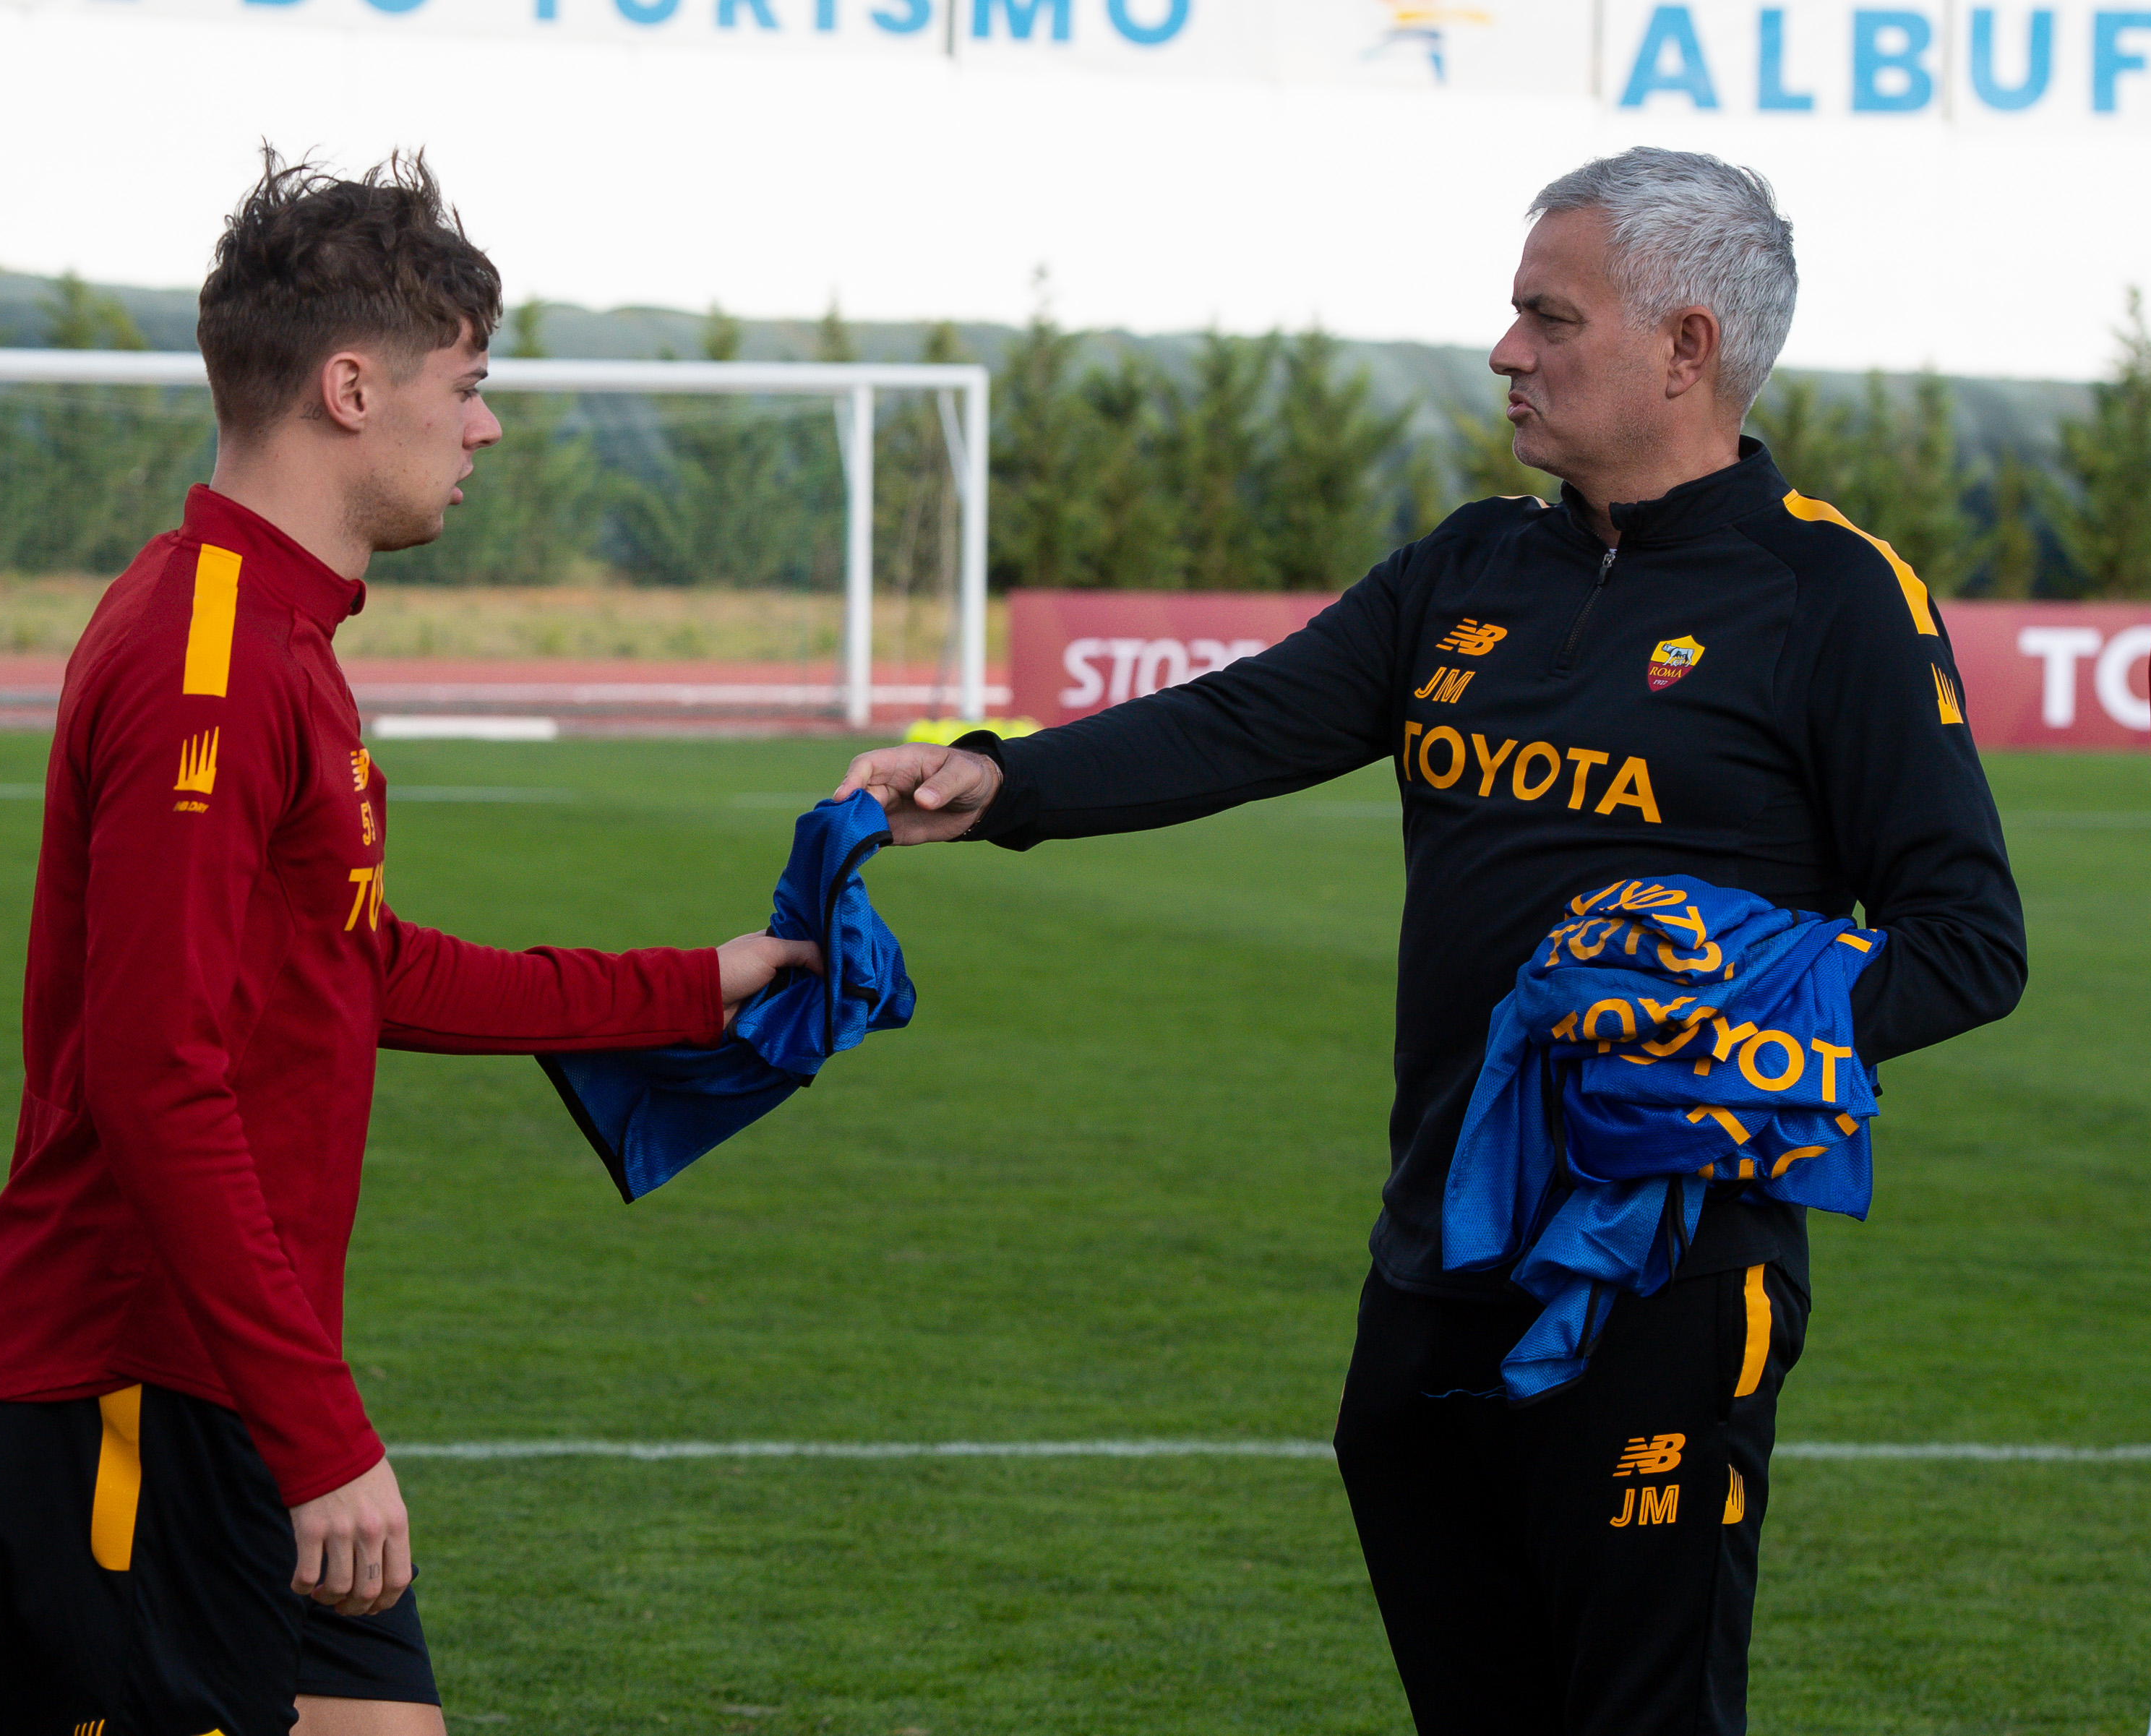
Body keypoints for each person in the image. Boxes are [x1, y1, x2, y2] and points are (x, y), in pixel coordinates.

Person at [837, 147, 2024, 1735]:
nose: (1506, 351)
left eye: (1551, 316)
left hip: (1663, 1278)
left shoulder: (1837, 595)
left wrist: (1739, 1018)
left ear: (1686, 347)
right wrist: (1006, 777)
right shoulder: (1469, 567)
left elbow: (1969, 941)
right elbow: (1249, 719)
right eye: (1514, 311)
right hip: (1434, 1262)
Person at [0, 150, 817, 1736]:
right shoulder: (207, 659)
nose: (485, 426)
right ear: (353, 386)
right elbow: (154, 1076)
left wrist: (700, 980)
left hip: (236, 1379)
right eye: (467, 385)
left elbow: (360, 964)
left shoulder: (281, 636)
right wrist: (320, 1428)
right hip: (134, 1380)